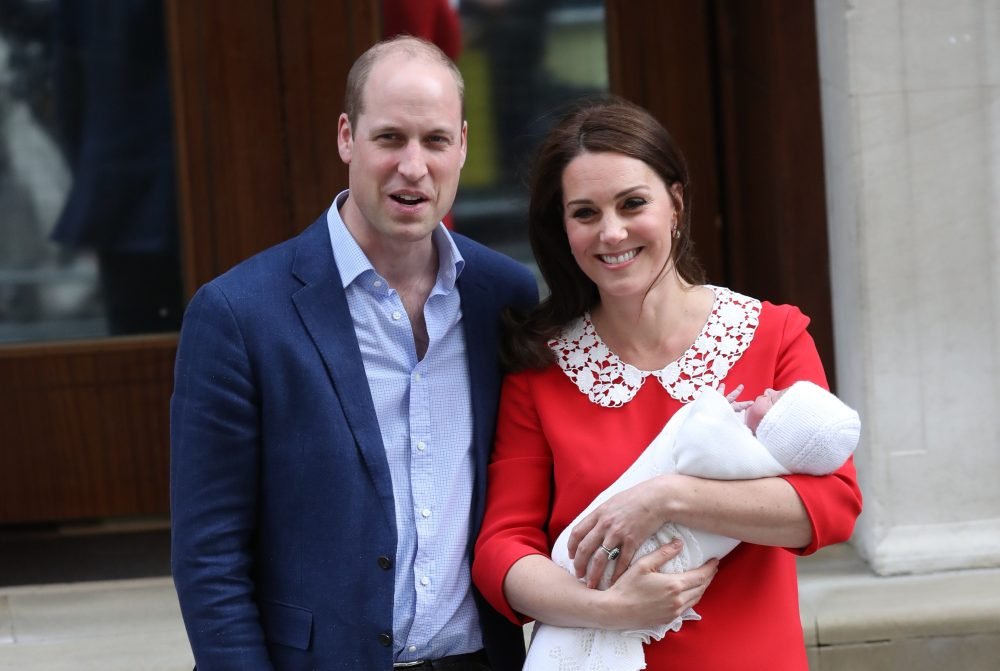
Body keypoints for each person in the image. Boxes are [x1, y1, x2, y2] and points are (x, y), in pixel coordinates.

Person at [170, 36, 537, 670]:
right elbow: (210, 554)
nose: (413, 167)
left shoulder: (503, 295)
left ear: (463, 146)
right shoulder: (237, 313)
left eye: (435, 141)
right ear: (347, 137)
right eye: (390, 138)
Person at [471, 97, 863, 670]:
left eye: (632, 203)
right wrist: (607, 609)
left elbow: (833, 505)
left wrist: (665, 499)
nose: (611, 232)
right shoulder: (541, 368)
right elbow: (501, 550)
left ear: (675, 203)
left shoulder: (772, 335)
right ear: (564, 228)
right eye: (585, 213)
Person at [527, 381, 862, 670]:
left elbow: (696, 451)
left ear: (779, 428)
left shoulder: (748, 458)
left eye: (776, 400)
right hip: (581, 592)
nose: (770, 389)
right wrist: (605, 609)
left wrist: (713, 405)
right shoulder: (764, 466)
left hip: (678, 588)